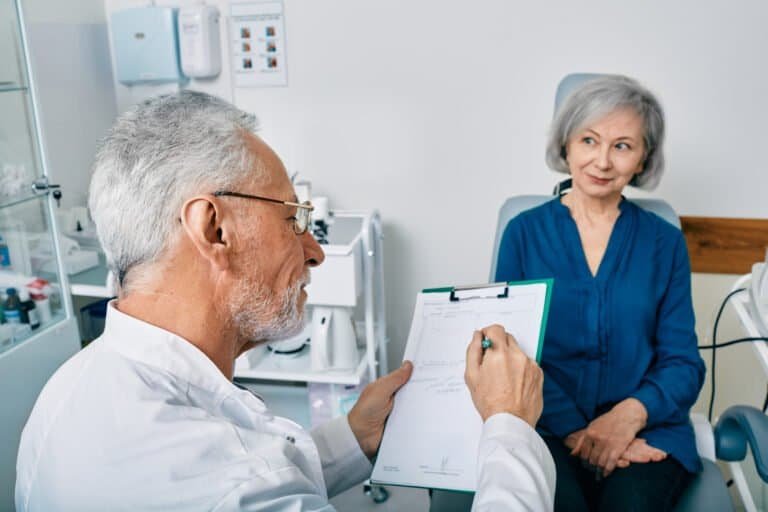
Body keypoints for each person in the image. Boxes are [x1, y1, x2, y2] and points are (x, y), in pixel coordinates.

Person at [16, 91, 555, 511]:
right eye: (293, 218)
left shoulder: (65, 391)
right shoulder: (231, 485)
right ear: (213, 228)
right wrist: (508, 427)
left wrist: (353, 437)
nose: (315, 252)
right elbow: (246, 484)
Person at [494, 75, 706, 511]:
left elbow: (682, 361)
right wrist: (578, 433)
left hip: (646, 429)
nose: (603, 161)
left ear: (643, 159)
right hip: (544, 426)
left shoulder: (664, 242)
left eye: (622, 146)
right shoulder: (524, 233)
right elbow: (511, 352)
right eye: (589, 140)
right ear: (567, 144)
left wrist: (629, 417)